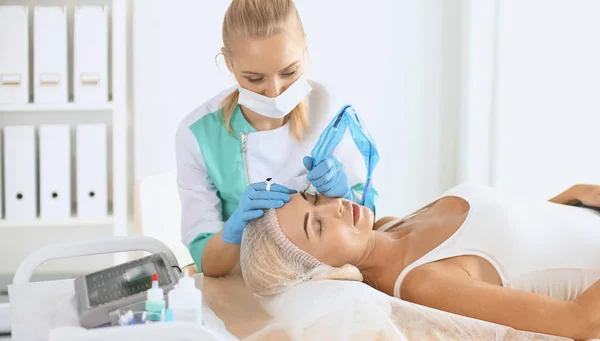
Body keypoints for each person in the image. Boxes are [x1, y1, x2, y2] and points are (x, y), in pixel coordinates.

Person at [240, 182, 600, 340]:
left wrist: (572, 197)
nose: (332, 205)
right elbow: (580, 322)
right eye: (316, 225)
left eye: (312, 197)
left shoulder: (390, 226)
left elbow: (527, 239)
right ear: (324, 272)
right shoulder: (424, 282)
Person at [176, 0, 375, 278]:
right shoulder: (198, 135)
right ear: (229, 63)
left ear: (305, 45)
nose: (274, 91)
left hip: (326, 278)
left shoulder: (331, 111)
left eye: (289, 72)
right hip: (241, 281)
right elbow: (208, 263)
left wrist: (346, 196)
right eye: (255, 79)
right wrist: (235, 228)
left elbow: (370, 222)